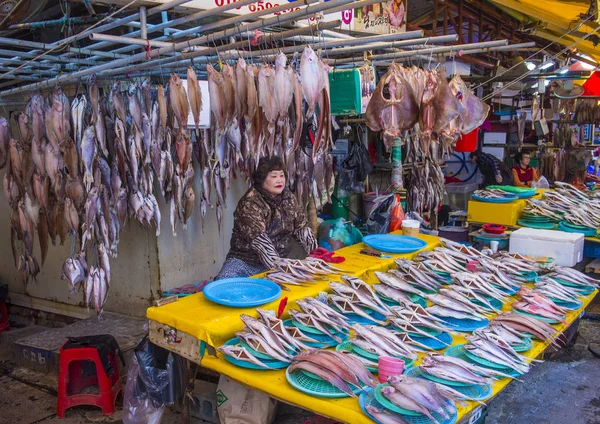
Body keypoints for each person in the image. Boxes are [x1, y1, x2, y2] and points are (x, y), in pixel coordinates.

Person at [215, 156, 318, 279]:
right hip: (245, 263)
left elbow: (302, 228)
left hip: (279, 260)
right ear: (262, 180)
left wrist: (316, 256)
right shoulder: (250, 203)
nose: (280, 180)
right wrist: (282, 270)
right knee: (224, 284)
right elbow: (261, 243)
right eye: (274, 176)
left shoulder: (288, 197)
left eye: (282, 176)